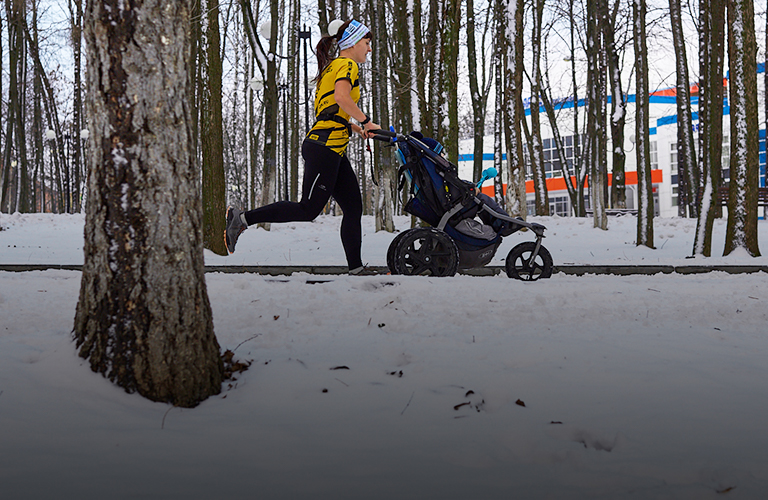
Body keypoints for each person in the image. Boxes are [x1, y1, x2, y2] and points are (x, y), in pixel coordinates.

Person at [225, 19, 381, 275]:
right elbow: (342, 97)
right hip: (324, 147)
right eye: (367, 43)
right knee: (308, 209)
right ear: (353, 43)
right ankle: (241, 219)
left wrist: (356, 128)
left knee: (353, 208)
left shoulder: (332, 67)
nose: (369, 48)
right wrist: (366, 121)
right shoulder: (347, 65)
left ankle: (355, 269)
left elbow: (330, 111)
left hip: (332, 147)